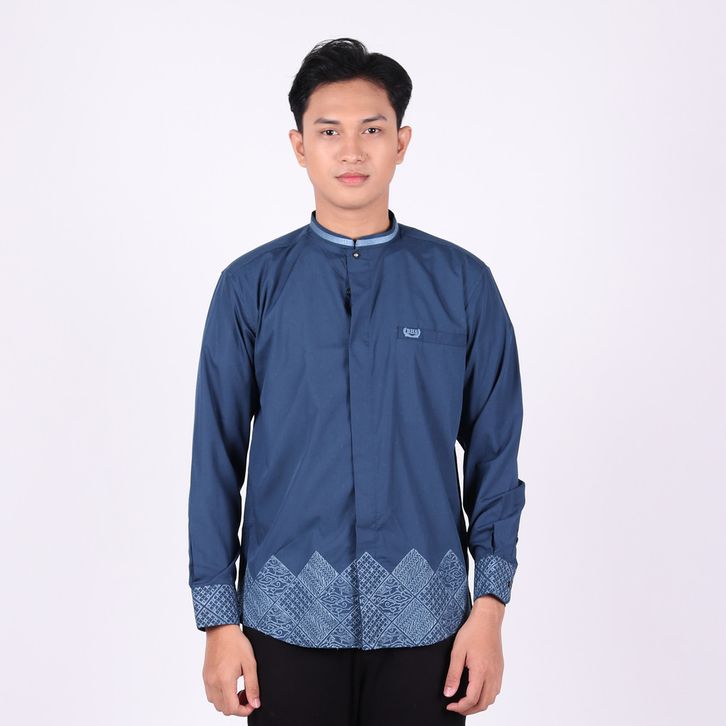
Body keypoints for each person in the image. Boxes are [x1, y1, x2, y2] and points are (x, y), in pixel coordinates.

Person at [187, 37, 527, 725]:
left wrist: (489, 610)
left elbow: (495, 457)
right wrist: (218, 623)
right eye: (328, 131)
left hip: (430, 627)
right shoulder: (250, 288)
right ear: (298, 146)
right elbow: (215, 462)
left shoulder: (462, 285)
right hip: (282, 625)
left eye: (371, 130)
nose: (351, 151)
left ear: (401, 142)